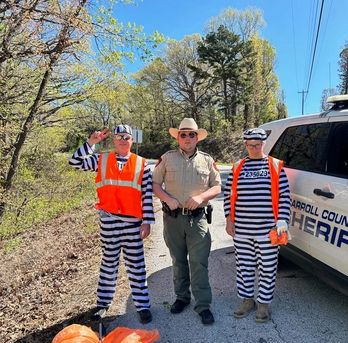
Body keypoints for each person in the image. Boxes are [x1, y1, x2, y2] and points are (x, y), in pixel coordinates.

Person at [69, 124, 155, 324]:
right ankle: (103, 303)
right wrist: (91, 142)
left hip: (133, 222)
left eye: (127, 136)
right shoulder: (101, 159)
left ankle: (142, 305)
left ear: (132, 140)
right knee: (109, 263)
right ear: (114, 140)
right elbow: (74, 162)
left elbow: (147, 196)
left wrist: (148, 222)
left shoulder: (142, 164)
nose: (123, 140)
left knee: (136, 265)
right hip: (108, 221)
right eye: (119, 137)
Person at [152, 118, 221, 325]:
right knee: (178, 261)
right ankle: (182, 298)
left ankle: (203, 305)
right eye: (183, 134)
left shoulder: (207, 160)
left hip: (197, 220)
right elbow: (155, 184)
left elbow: (217, 187)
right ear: (178, 137)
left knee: (199, 263)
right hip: (173, 220)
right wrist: (168, 199)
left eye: (192, 134)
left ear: (197, 137)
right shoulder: (167, 158)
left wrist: (201, 198)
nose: (188, 138)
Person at [223, 128, 291, 323]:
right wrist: (229, 219)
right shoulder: (237, 167)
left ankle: (263, 304)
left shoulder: (275, 166)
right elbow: (228, 196)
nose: (254, 148)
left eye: (258, 145)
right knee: (244, 266)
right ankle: (247, 300)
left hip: (268, 228)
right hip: (242, 229)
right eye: (250, 145)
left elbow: (285, 196)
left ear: (263, 144)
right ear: (245, 145)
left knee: (268, 267)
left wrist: (282, 220)